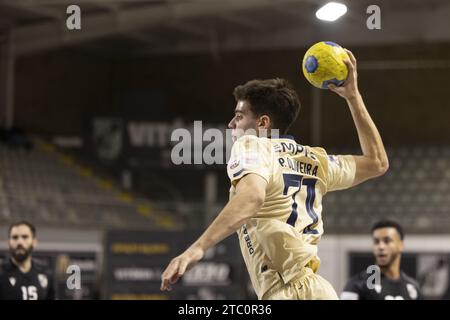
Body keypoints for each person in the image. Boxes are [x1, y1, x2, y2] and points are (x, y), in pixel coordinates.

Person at [160, 50, 389, 299]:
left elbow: (252, 197)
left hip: (285, 290)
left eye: (239, 116)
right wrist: (353, 97)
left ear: (263, 124)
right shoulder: (316, 159)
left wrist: (196, 249)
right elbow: (377, 162)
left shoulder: (252, 145)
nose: (231, 124)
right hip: (319, 290)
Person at [341, 220, 421, 300]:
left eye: (387, 241)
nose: (380, 247)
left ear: (401, 245)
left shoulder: (413, 287)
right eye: (376, 242)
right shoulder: (357, 284)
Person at [0, 221, 55, 300]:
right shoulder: (2, 273)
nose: (19, 242)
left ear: (34, 242)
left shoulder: (45, 273)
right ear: (9, 242)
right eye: (15, 237)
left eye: (25, 237)